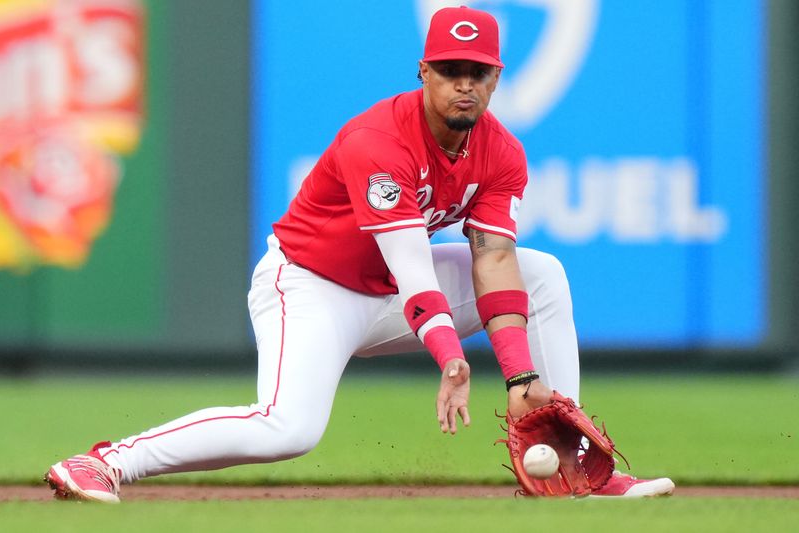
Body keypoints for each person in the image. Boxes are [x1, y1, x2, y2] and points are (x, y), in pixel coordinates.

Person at [45, 6, 674, 502]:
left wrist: (518, 376)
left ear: (496, 78)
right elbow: (412, 268)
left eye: (476, 72)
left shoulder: (501, 153)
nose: (464, 85)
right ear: (423, 72)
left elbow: (493, 261)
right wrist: (452, 358)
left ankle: (578, 465)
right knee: (288, 429)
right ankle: (106, 460)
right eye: (450, 69)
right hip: (312, 287)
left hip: (390, 296)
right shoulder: (380, 141)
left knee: (543, 274)